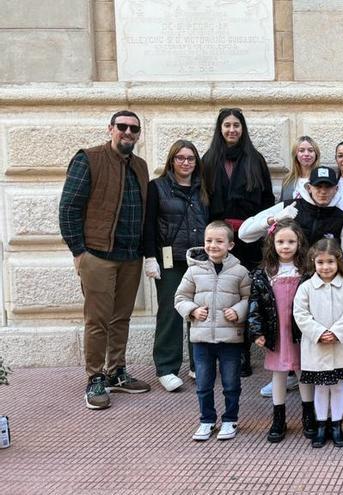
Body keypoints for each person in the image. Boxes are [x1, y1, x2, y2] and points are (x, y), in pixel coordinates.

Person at [59, 110, 152, 410]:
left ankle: (116, 371)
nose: (128, 132)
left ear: (139, 134)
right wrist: (79, 252)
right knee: (97, 320)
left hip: (130, 256)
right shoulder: (89, 158)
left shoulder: (140, 166)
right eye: (122, 127)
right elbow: (69, 208)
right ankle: (95, 377)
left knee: (121, 317)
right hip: (97, 255)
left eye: (134, 129)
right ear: (110, 129)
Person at [240, 165, 343, 397]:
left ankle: (340, 375)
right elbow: (244, 233)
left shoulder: (341, 217)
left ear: (336, 189)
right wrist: (276, 218)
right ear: (309, 187)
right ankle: (287, 374)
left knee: (327, 328)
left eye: (328, 187)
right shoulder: (290, 207)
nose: (323, 192)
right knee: (286, 330)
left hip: (325, 284)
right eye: (318, 187)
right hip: (290, 283)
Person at [201, 108, 275, 377]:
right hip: (219, 242)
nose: (232, 130)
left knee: (245, 295)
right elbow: (202, 203)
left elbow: (267, 203)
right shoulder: (208, 161)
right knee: (221, 295)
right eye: (227, 125)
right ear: (219, 129)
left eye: (236, 125)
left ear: (243, 129)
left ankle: (243, 353)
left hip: (250, 241)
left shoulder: (256, 160)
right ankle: (223, 353)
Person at [174, 221, 252, 441]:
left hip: (230, 339)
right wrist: (192, 311)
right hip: (201, 338)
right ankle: (206, 420)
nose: (213, 245)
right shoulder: (194, 271)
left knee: (231, 383)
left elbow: (248, 298)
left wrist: (238, 312)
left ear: (231, 245)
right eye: (209, 241)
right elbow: (180, 298)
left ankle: (230, 419)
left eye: (219, 241)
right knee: (204, 383)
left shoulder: (240, 272)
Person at [143, 140, 208, 392]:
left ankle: (198, 364)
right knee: (171, 313)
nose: (185, 163)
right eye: (180, 158)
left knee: (198, 313)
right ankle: (167, 368)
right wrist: (150, 257)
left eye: (190, 158)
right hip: (169, 261)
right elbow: (148, 225)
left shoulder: (203, 189)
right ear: (171, 161)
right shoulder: (157, 187)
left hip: (199, 259)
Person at [294, 239, 343, 448]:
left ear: (338, 261)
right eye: (321, 262)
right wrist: (319, 332)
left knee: (338, 387)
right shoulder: (306, 287)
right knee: (321, 388)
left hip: (340, 346)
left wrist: (335, 332)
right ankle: (322, 425)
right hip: (316, 347)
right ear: (314, 262)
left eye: (330, 262)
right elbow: (300, 313)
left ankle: (337, 426)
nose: (326, 267)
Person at [247, 218, 311, 443]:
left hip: (300, 330)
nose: (286, 246)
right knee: (279, 373)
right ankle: (278, 417)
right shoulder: (265, 272)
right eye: (281, 241)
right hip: (276, 331)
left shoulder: (307, 270)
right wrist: (257, 331)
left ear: (299, 243)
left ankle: (308, 415)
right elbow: (254, 303)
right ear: (272, 243)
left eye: (291, 241)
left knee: (304, 371)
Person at [281, 136, 320, 201]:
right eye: (301, 150)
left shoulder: (322, 179)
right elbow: (281, 204)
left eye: (310, 150)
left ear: (316, 154)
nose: (306, 154)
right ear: (295, 154)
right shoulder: (288, 180)